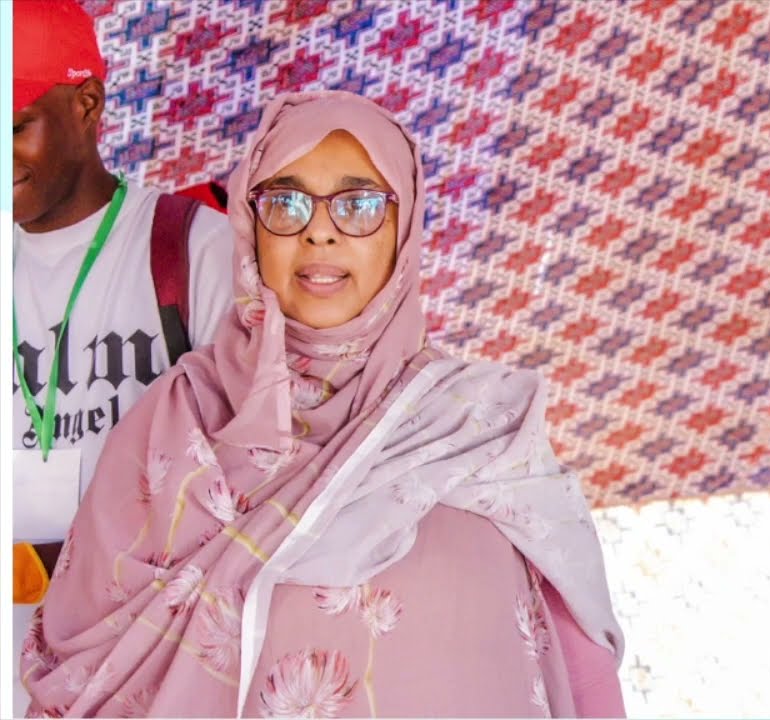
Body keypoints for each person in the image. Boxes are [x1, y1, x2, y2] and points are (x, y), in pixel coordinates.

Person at [21, 90, 626, 718]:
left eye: (360, 204)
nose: (319, 230)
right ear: (250, 227)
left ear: (405, 226)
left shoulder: (481, 428)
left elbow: (581, 671)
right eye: (284, 202)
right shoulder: (180, 421)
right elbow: (86, 669)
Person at [11, 0, 234, 598]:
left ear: (87, 106)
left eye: (15, 127)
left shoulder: (196, 248)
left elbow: (253, 474)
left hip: (154, 651)